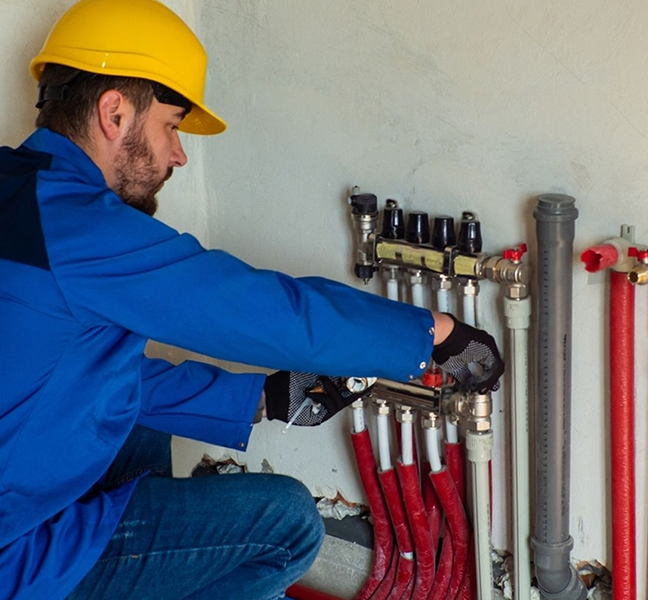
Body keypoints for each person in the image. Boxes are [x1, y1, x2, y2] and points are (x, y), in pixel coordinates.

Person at [0, 1, 505, 599]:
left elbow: (93, 380)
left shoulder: (20, 192)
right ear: (115, 112)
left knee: (133, 428)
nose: (178, 154)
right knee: (286, 524)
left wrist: (260, 399)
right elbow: (255, 307)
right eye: (172, 126)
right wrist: (432, 335)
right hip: (14, 556)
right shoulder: (79, 227)